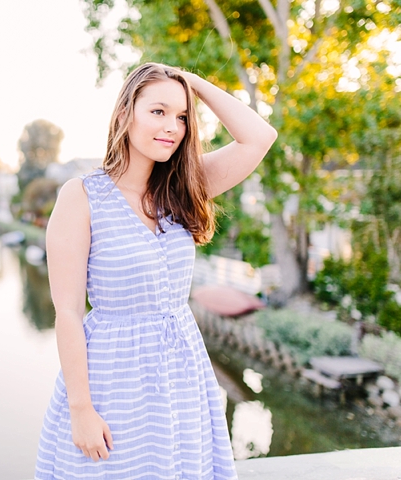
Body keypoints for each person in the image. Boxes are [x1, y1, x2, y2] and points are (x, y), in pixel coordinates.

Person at [34, 63, 277, 480]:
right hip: (114, 379)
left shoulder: (183, 186)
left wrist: (189, 82)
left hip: (182, 380)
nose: (173, 126)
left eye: (182, 116)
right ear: (126, 113)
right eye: (158, 111)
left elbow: (260, 137)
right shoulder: (82, 196)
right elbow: (69, 313)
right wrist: (82, 410)